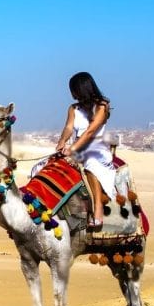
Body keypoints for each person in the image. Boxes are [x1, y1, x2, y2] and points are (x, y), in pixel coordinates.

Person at [56, 72, 116, 230]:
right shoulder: (73, 108)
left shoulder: (101, 106)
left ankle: (98, 210)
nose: (72, 94)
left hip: (95, 148)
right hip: (76, 148)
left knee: (91, 164)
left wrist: (73, 149)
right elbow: (69, 127)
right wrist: (62, 141)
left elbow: (90, 131)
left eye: (74, 90)